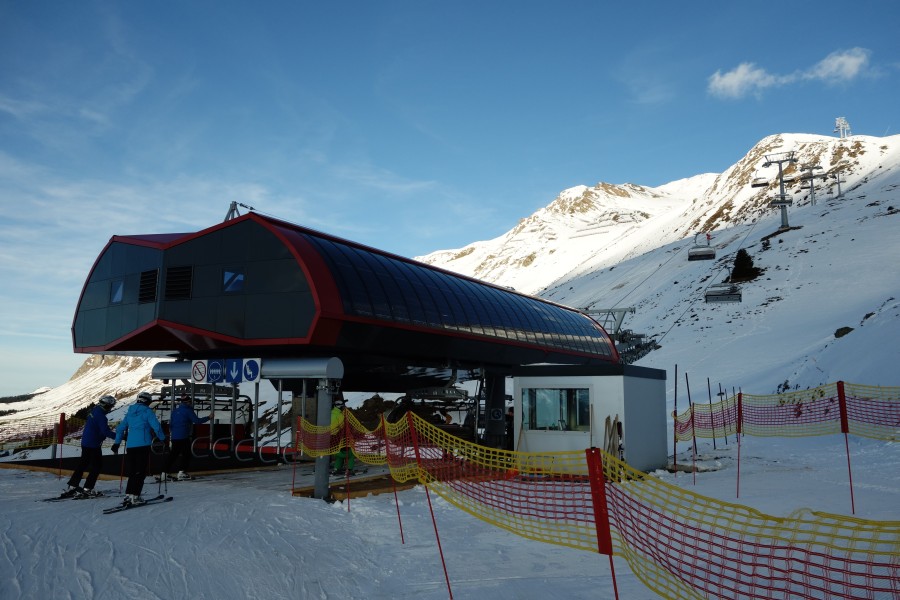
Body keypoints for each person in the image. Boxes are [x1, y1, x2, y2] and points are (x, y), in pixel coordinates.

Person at [112, 391, 165, 506]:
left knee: (132, 471)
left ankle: (129, 494)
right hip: (143, 445)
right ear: (147, 401)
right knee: (140, 472)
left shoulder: (130, 412)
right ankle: (135, 496)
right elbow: (156, 426)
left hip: (131, 446)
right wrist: (162, 438)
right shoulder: (147, 411)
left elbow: (120, 428)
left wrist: (117, 443)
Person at [61, 395, 117, 498]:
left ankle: (73, 486)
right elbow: (105, 431)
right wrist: (118, 437)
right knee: (96, 466)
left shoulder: (94, 410)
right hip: (93, 444)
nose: (111, 408)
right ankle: (88, 489)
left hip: (86, 442)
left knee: (83, 464)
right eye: (110, 406)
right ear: (106, 405)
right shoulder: (101, 416)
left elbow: (98, 428)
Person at [161, 395, 209, 481]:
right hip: (183, 436)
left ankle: (164, 473)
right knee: (186, 454)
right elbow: (197, 421)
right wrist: (208, 417)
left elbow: (171, 425)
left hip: (175, 436)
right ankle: (182, 472)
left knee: (173, 455)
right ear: (187, 402)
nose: (191, 403)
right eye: (190, 401)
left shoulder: (175, 411)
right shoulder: (188, 411)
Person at [330, 396, 355, 475]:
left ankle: (337, 468)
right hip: (338, 439)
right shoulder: (336, 415)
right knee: (350, 454)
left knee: (339, 456)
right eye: (342, 406)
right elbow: (334, 428)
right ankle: (350, 469)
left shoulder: (335, 413)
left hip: (335, 441)